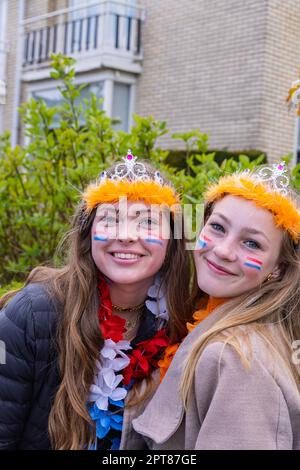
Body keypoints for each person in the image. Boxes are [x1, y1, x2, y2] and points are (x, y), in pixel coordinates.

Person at [0, 151, 194, 450]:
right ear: (88, 233)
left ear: (172, 240)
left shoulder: (182, 323)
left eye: (146, 222)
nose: (127, 235)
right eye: (110, 219)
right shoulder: (32, 314)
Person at [133, 162, 300, 450]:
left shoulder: (235, 357)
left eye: (252, 244)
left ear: (279, 269)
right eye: (218, 227)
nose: (222, 250)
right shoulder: (211, 318)